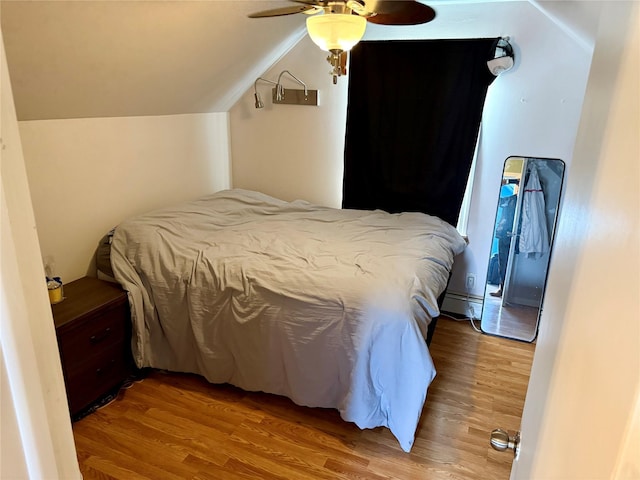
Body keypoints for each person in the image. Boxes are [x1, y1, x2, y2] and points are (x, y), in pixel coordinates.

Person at [491, 190, 517, 297]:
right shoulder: (514, 199)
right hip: (507, 235)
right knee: (503, 262)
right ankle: (503, 288)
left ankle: (504, 289)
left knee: (504, 262)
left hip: (508, 235)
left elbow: (498, 201)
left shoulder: (513, 200)